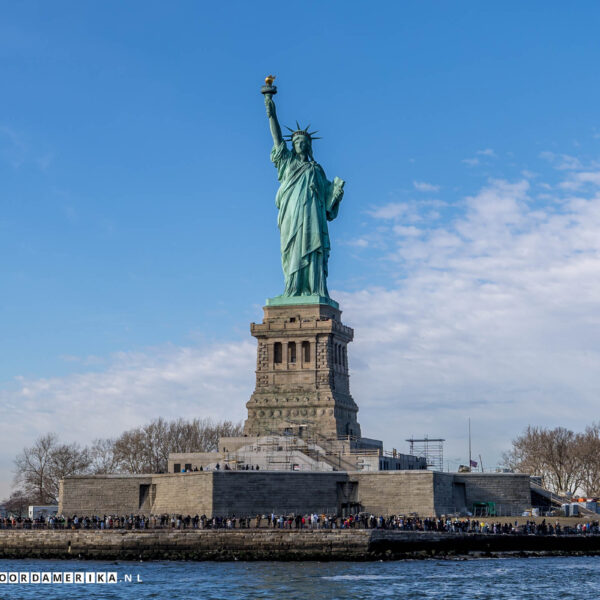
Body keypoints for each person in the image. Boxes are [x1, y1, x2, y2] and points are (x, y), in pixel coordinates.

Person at [264, 94, 345, 298]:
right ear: (292, 145)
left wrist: (336, 194)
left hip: (312, 217)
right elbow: (276, 136)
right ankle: (292, 289)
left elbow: (328, 204)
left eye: (303, 141)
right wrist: (270, 109)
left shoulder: (317, 169)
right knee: (292, 250)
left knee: (313, 249)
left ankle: (314, 289)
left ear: (309, 145)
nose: (299, 144)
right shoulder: (287, 162)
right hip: (292, 214)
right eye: (296, 141)